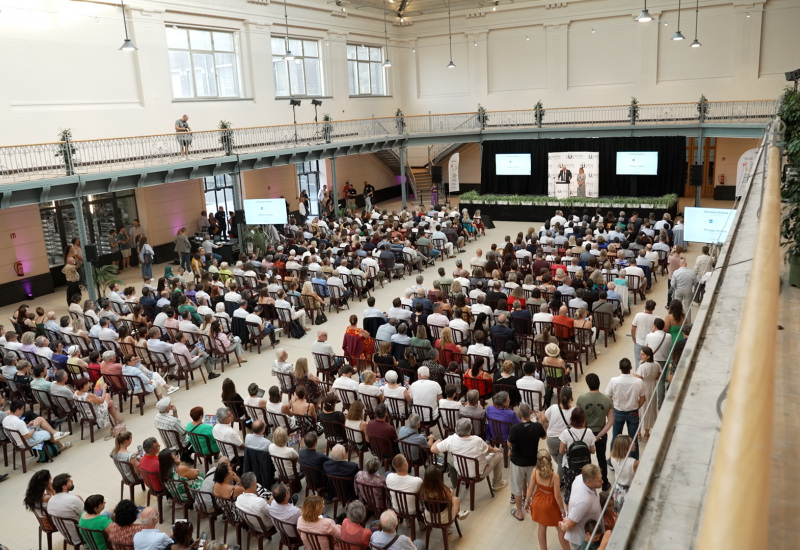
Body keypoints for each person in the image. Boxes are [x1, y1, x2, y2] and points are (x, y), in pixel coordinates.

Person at [431, 417, 506, 491]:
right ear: (470, 429)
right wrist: (495, 450)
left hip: (460, 471)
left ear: (456, 429)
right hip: (478, 473)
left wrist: (438, 440)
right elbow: (489, 449)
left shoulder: (451, 439)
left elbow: (433, 449)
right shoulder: (477, 440)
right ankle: (497, 483)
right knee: (499, 454)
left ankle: (464, 480)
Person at [508, 402, 547, 520]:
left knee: (517, 487)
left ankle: (519, 512)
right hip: (532, 462)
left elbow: (509, 443)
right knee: (533, 486)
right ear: (530, 413)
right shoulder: (537, 427)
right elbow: (544, 436)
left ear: (519, 413)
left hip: (517, 462)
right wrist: (541, 421)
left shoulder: (515, 428)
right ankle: (534, 510)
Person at [576, 374, 614, 491]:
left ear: (588, 384)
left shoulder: (581, 399)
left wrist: (587, 433)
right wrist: (599, 435)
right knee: (601, 458)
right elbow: (611, 421)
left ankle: (586, 484)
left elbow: (579, 419)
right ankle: (604, 482)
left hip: (585, 433)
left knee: (585, 459)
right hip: (600, 433)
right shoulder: (607, 400)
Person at [525, 450, 569, 550]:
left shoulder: (534, 471)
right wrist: (562, 510)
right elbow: (557, 496)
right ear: (550, 460)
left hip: (537, 502)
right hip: (550, 505)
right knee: (561, 530)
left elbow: (530, 489)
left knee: (541, 528)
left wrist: (527, 501)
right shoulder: (555, 476)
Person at [606, 358, 646, 460]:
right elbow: (643, 398)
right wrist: (636, 406)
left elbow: (609, 397)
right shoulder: (638, 382)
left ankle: (613, 459)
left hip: (618, 412)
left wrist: (613, 408)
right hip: (633, 413)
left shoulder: (614, 381)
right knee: (633, 439)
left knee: (615, 437)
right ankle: (634, 461)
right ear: (631, 368)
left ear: (620, 368)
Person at [559, 464, 603, 550]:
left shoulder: (580, 478)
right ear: (588, 482)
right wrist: (564, 526)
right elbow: (569, 525)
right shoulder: (583, 501)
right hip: (582, 541)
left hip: (591, 535)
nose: (602, 482)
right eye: (599, 480)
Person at [558, 407, 596, 503]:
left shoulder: (566, 433)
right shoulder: (589, 432)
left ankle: (569, 511)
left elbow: (561, 451)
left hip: (569, 466)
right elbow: (592, 451)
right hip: (585, 467)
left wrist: (569, 450)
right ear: (583, 419)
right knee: (584, 488)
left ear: (572, 419)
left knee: (569, 489)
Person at [544, 387, 574, 477]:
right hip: (564, 440)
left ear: (560, 396)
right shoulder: (573, 411)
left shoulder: (553, 407)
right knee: (562, 462)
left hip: (551, 440)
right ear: (571, 397)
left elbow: (543, 419)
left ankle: (563, 474)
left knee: (557, 458)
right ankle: (561, 479)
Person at [609, 434, 638, 514]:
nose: (634, 443)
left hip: (617, 490)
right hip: (629, 492)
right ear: (625, 447)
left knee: (618, 514)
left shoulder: (612, 457)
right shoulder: (634, 463)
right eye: (631, 443)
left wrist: (620, 438)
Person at [635, 346, 659, 440]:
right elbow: (658, 375)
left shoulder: (642, 367)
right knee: (650, 410)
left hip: (643, 390)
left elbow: (638, 380)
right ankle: (647, 433)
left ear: (648, 356)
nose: (640, 356)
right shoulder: (656, 364)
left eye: (642, 354)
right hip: (652, 389)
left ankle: (639, 433)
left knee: (641, 411)